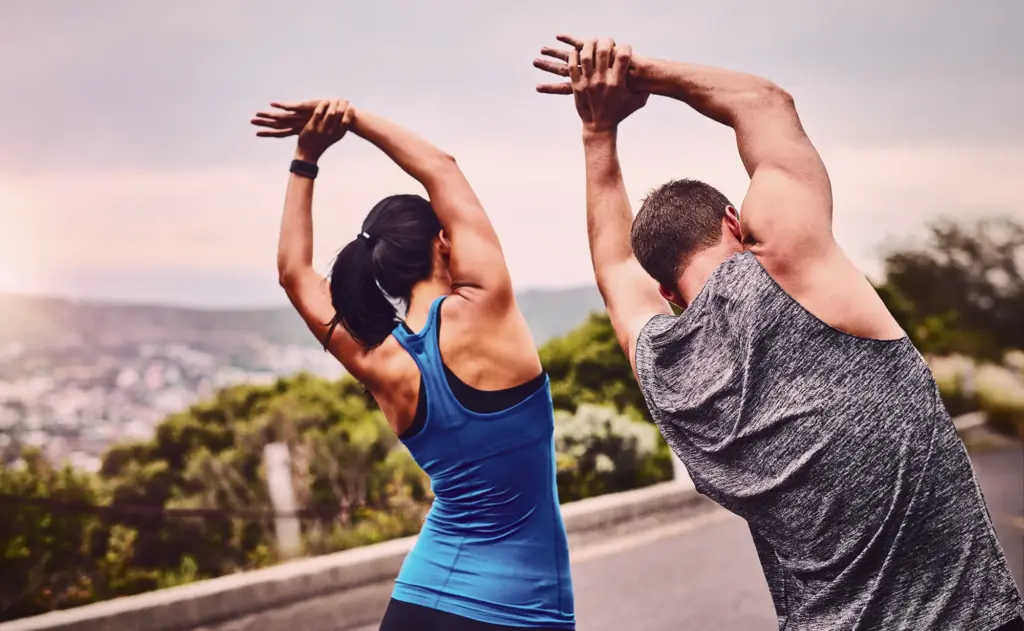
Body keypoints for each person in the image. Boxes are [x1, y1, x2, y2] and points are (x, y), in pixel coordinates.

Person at [534, 35, 1024, 631]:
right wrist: (633, 74)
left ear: (665, 291)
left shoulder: (663, 371)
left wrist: (597, 132)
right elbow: (765, 102)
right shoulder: (791, 270)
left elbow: (614, 269)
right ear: (735, 223)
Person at [250, 99, 575, 631]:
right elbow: (440, 167)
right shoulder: (487, 307)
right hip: (519, 608)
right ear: (444, 242)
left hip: (418, 601)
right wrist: (349, 118)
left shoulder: (380, 360)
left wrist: (307, 156)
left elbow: (294, 273)